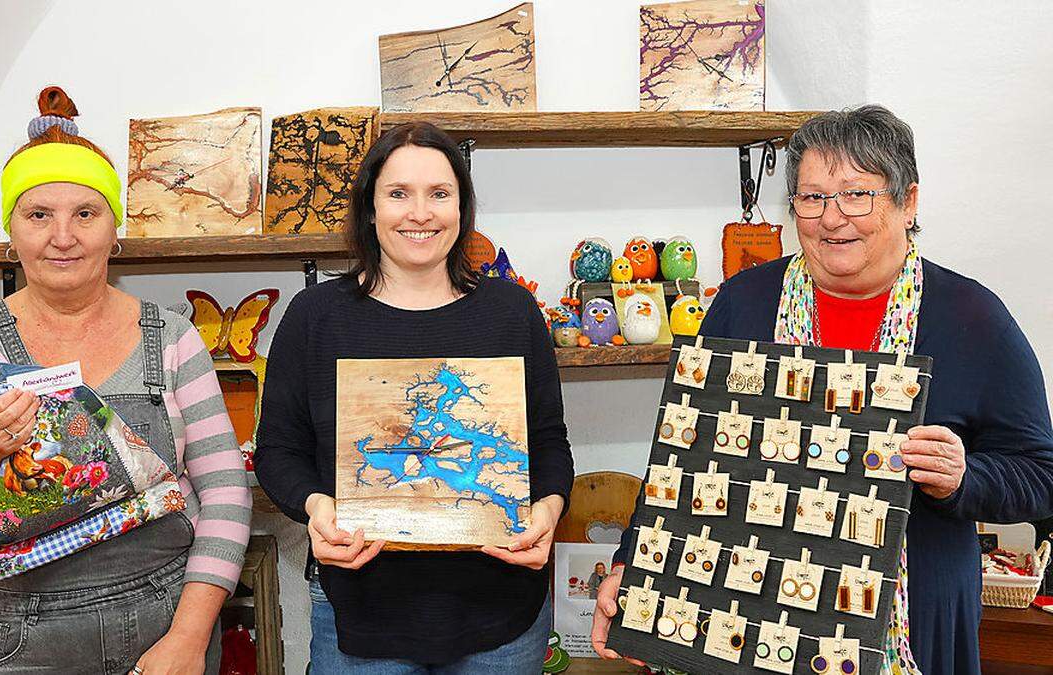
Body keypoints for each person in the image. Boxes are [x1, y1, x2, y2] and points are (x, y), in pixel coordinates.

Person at [591, 105, 1053, 675]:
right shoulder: (744, 302)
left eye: (858, 194)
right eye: (812, 198)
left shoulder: (972, 319)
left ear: (908, 201)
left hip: (912, 625)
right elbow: (685, 460)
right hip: (746, 621)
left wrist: (964, 478)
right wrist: (629, 567)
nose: (833, 219)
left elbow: (1040, 476)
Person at [0, 86, 252, 675]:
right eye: (39, 215)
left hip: (168, 619)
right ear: (10, 232)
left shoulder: (173, 338)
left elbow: (225, 493)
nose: (63, 237)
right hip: (24, 636)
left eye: (85, 214)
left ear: (116, 229)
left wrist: (190, 636)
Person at [254, 121, 574, 674]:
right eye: (398, 193)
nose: (419, 213)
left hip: (503, 619)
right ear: (370, 207)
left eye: (439, 194)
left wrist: (548, 508)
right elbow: (277, 451)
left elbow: (548, 443)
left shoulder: (512, 313)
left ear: (462, 208)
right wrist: (315, 507)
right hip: (360, 618)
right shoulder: (315, 317)